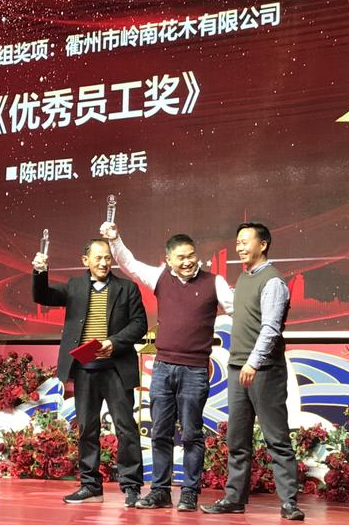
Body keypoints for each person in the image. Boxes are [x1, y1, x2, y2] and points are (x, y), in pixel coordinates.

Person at [99, 221, 233, 512]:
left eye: (191, 255)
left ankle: (189, 493)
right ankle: (160, 491)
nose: (187, 261)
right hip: (162, 367)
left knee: (192, 434)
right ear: (169, 259)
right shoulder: (159, 277)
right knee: (160, 432)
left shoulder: (215, 282)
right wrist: (115, 239)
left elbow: (238, 310)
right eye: (180, 257)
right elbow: (129, 264)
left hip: (195, 370)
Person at [200, 223, 304, 521]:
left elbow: (271, 329)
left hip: (263, 370)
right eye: (238, 242)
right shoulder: (245, 278)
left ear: (264, 244)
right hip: (238, 368)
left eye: (246, 241)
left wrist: (253, 363)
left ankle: (289, 502)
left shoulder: (273, 282)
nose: (240, 247)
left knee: (276, 438)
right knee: (237, 439)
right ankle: (234, 498)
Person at [32, 238, 147, 507]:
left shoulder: (127, 288)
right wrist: (39, 271)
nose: (104, 263)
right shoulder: (74, 287)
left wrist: (114, 342)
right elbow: (42, 295)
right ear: (86, 261)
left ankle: (132, 487)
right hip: (85, 369)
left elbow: (139, 324)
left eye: (107, 258)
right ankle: (90, 486)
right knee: (87, 429)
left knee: (126, 428)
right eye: (98, 258)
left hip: (116, 369)